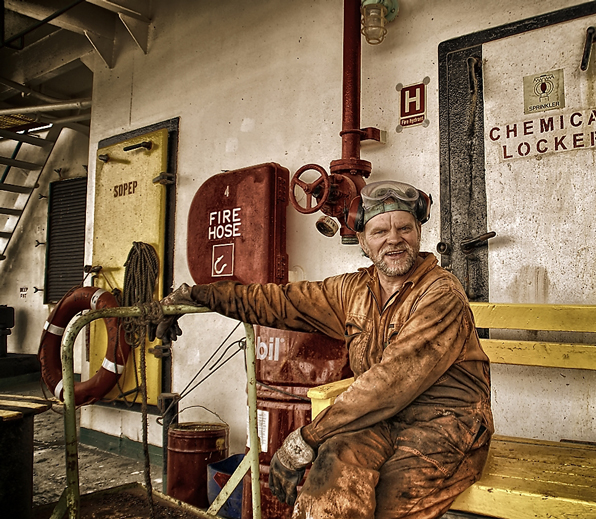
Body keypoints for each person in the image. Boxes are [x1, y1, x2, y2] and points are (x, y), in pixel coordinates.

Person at [157, 180, 493, 519]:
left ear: (418, 232)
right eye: (380, 232)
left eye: (404, 228)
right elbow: (278, 301)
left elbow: (391, 382)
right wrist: (196, 296)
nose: (394, 239)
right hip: (381, 422)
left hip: (446, 425)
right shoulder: (353, 290)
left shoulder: (441, 293)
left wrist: (307, 437)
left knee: (389, 501)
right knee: (330, 473)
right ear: (362, 241)